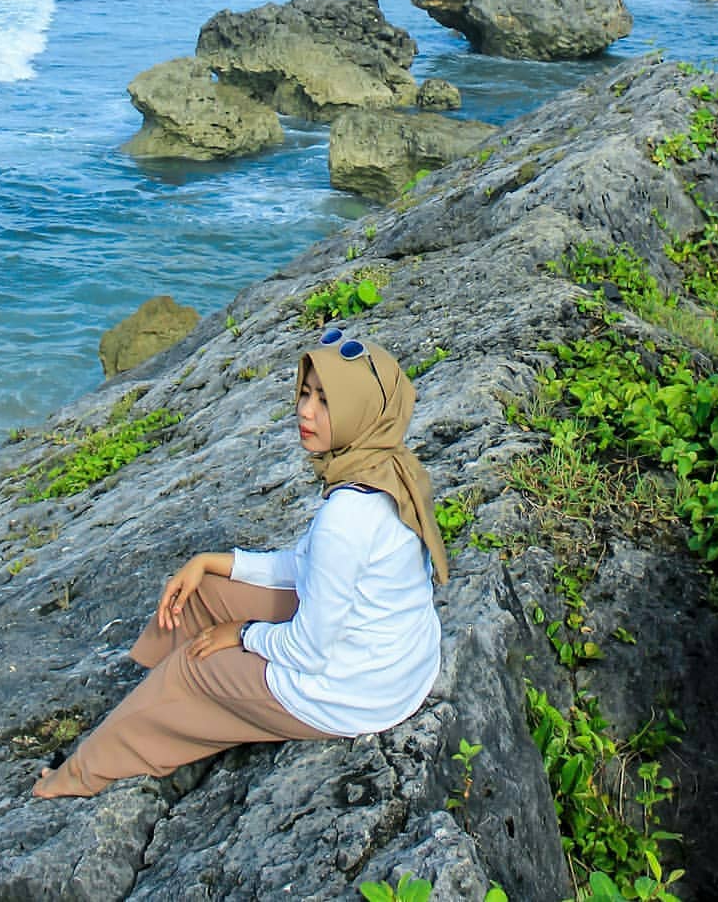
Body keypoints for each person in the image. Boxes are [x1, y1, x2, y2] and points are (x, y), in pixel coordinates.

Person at [32, 328, 449, 798]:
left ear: (360, 410)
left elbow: (311, 650)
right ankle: (147, 710)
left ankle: (77, 777)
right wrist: (213, 562)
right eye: (306, 393)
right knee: (204, 592)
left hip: (355, 690)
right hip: (389, 658)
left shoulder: (347, 516)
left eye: (326, 401)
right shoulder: (382, 468)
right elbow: (310, 568)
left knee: (189, 669)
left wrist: (242, 634)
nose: (305, 411)